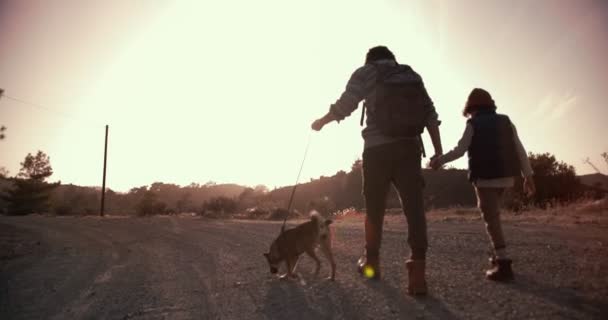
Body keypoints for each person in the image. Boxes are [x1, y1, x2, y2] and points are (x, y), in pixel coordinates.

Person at [311, 46, 443, 295]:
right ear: (393, 58)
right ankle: (418, 273)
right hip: (409, 148)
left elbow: (346, 105)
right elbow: (430, 114)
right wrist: (438, 151)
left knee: (374, 208)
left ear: (370, 59)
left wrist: (321, 121)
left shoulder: (365, 72)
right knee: (414, 208)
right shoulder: (411, 75)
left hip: (377, 150)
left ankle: (372, 262)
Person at [430, 88, 535, 281]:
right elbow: (520, 149)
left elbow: (460, 150)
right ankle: (497, 255)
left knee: (491, 219)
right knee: (493, 216)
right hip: (506, 177)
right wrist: (528, 176)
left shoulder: (473, 123)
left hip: (484, 178)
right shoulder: (506, 120)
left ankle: (503, 264)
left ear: (470, 107)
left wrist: (439, 161)